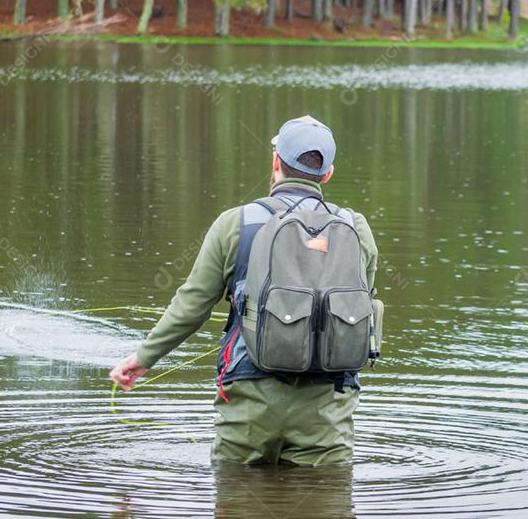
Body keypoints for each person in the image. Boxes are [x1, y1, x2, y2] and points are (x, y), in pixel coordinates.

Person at [110, 115, 379, 466]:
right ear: (327, 174)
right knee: (323, 501)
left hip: (249, 399)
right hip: (327, 404)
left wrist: (143, 358)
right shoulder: (355, 227)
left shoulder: (235, 223)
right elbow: (362, 304)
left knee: (237, 495)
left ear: (275, 162)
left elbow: (192, 305)